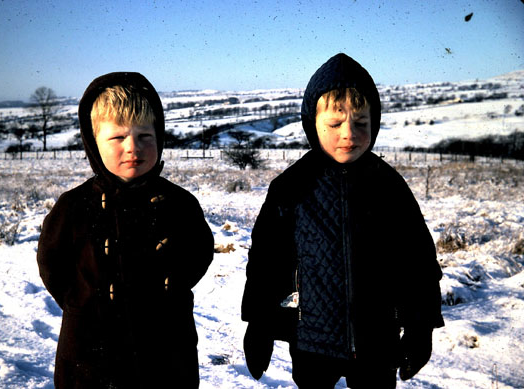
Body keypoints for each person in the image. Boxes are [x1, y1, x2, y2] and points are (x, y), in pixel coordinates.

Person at [241, 53, 444, 388]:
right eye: (334, 125)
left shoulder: (388, 186)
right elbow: (267, 259)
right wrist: (259, 322)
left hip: (378, 342)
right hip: (312, 341)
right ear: (312, 124)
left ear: (374, 123)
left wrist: (420, 327)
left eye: (360, 123)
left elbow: (417, 261)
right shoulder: (292, 187)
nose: (349, 134)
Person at [37, 72, 214, 388]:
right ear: (94, 143)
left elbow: (198, 253)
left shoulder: (180, 203)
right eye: (117, 138)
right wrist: (84, 303)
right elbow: (53, 265)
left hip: (167, 350)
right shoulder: (74, 205)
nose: (133, 147)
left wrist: (168, 290)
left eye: (145, 135)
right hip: (89, 351)